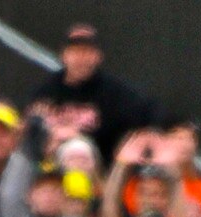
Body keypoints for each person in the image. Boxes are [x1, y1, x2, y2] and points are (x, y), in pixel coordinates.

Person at [27, 23, 160, 162]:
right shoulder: (46, 91)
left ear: (98, 56)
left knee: (78, 148)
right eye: (75, 52)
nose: (81, 58)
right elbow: (31, 133)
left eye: (87, 52)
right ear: (64, 55)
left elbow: (151, 114)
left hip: (99, 172)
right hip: (51, 172)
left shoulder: (115, 93)